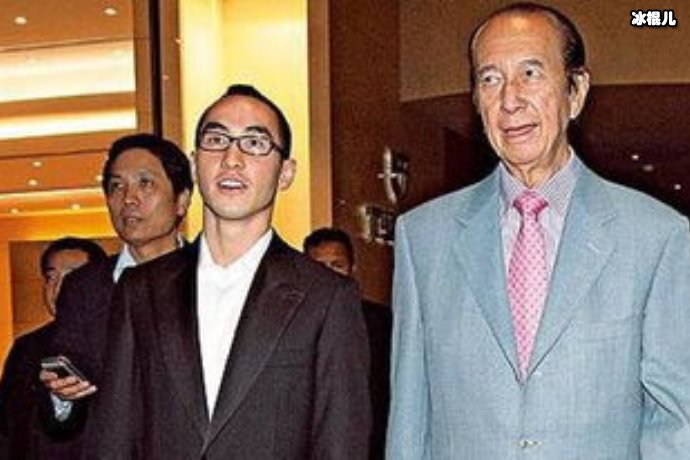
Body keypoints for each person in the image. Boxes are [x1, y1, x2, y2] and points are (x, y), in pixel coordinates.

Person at [387, 3, 690, 459]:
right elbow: (409, 420)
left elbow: (678, 425)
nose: (510, 100)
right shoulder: (423, 239)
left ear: (575, 91)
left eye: (530, 74)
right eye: (490, 79)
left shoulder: (657, 237)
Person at [85, 84, 371, 459]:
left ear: (285, 173)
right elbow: (114, 437)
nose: (231, 158)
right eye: (217, 140)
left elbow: (341, 444)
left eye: (254, 143)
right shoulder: (140, 289)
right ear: (194, 164)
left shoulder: (326, 297)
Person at [38, 133, 193, 454]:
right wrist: (61, 395)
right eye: (116, 186)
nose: (129, 199)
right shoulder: (83, 287)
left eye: (145, 184)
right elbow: (59, 421)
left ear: (182, 200)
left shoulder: (213, 277)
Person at [0, 237, 106, 459]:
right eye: (51, 277)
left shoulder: (118, 340)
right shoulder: (26, 346)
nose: (59, 289)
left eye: (73, 277)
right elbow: (7, 425)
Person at [303, 227, 392, 460]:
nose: (328, 275)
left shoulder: (382, 323)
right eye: (319, 267)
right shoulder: (291, 325)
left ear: (353, 268)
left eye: (337, 266)